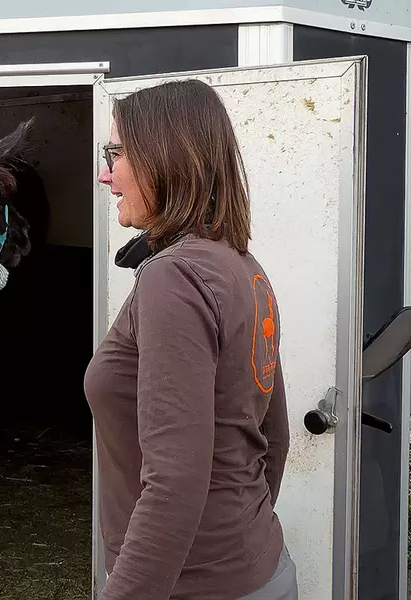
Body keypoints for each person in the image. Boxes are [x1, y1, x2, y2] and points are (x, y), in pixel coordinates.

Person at [84, 79, 296, 599]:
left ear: (164, 159)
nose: (105, 174)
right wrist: (236, 543)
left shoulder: (175, 277)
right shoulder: (241, 264)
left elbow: (175, 480)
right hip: (258, 569)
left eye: (116, 154)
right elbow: (275, 436)